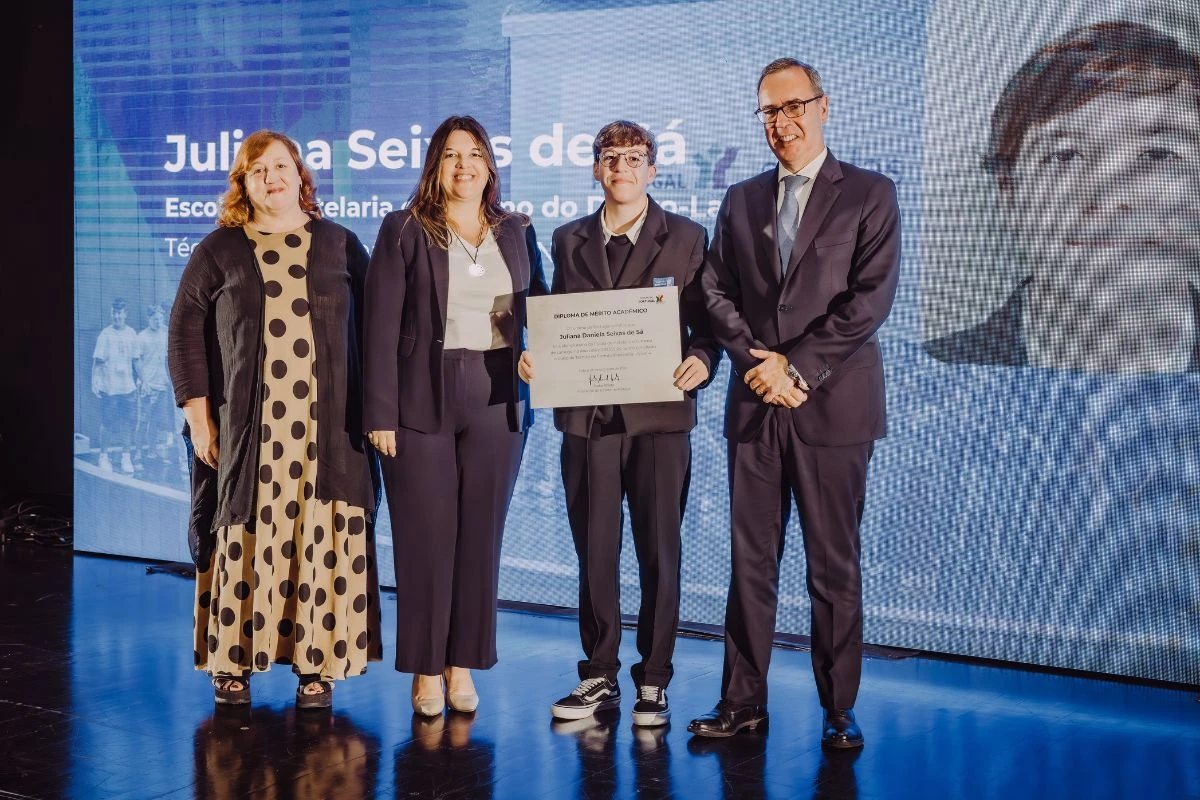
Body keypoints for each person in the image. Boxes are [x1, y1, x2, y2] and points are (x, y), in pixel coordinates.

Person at [690, 58, 901, 749]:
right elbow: (713, 292)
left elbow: (868, 301)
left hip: (833, 410)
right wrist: (759, 365)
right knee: (751, 565)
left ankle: (839, 707)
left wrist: (798, 370)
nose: (781, 124)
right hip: (755, 408)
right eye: (769, 113)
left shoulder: (871, 193)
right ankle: (741, 701)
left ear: (823, 107)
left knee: (832, 566)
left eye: (793, 107)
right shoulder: (741, 200)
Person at [168, 129, 382, 709]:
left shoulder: (340, 244)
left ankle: (319, 665)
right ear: (244, 183)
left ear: (301, 177)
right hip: (246, 436)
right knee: (245, 534)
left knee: (320, 539)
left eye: (282, 166)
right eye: (258, 170)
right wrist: (198, 419)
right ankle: (231, 662)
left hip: (330, 435)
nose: (272, 177)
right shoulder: (219, 249)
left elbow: (381, 330)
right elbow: (185, 331)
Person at [517, 120, 718, 727]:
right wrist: (537, 357)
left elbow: (708, 323)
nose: (622, 168)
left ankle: (653, 680)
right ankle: (598, 675)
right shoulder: (566, 238)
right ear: (595, 169)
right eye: (611, 158)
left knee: (661, 552)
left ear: (653, 170)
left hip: (659, 418)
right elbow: (561, 321)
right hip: (589, 422)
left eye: (635, 158)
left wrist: (702, 360)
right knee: (595, 553)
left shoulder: (686, 237)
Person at [363, 115, 548, 717]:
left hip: (498, 398)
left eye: (474, 154)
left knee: (478, 542)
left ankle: (461, 664)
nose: (464, 165)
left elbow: (541, 310)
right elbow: (381, 326)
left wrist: (537, 356)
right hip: (420, 402)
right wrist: (380, 414)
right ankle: (423, 672)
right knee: (425, 541)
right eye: (450, 156)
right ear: (434, 167)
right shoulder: (404, 229)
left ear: (490, 164)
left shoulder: (517, 230)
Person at [925, 21, 1200, 374]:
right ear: (1009, 191)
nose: (1110, 198)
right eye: (1065, 155)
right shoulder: (920, 379)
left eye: (1159, 154)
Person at [92, 298, 139, 474]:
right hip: (109, 388)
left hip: (127, 388)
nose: (117, 316)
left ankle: (126, 456)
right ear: (112, 314)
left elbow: (136, 361)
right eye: (114, 313)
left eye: (120, 313)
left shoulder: (132, 334)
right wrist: (95, 381)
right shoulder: (105, 335)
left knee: (127, 423)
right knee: (108, 423)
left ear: (125, 314)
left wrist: (145, 380)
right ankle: (103, 456)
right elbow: (97, 362)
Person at [134, 303, 174, 474]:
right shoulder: (142, 337)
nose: (158, 321)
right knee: (143, 421)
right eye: (154, 318)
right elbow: (136, 361)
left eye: (160, 318)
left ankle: (152, 452)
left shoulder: (166, 333)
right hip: (148, 387)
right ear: (149, 318)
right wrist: (144, 382)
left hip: (163, 386)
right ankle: (137, 454)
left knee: (157, 422)